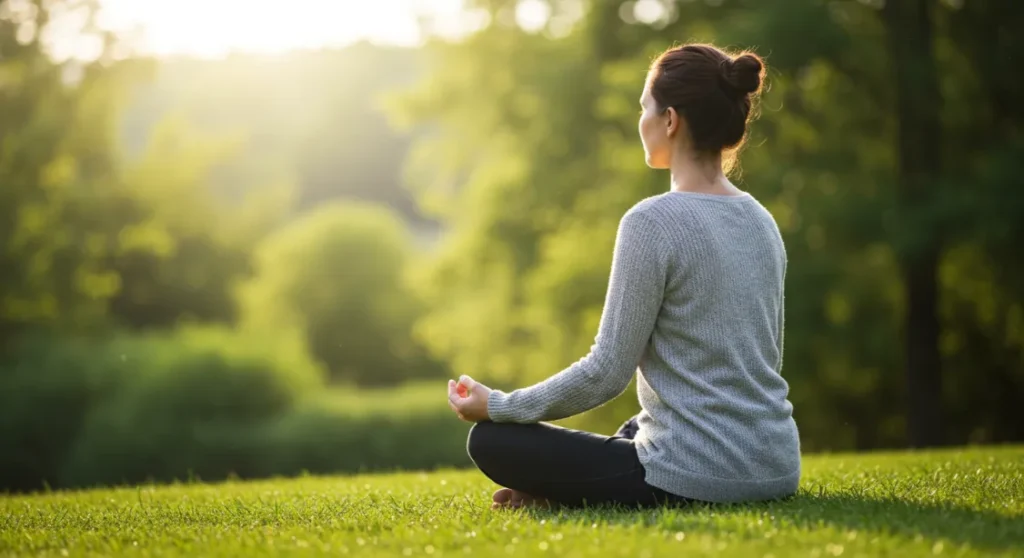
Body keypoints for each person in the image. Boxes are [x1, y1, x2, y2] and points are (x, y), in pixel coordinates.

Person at [446, 43, 801, 510]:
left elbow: (604, 373)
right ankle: (561, 496)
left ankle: (568, 493)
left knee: (491, 441)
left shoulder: (652, 221)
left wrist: (498, 406)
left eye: (643, 108)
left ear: (670, 120)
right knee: (640, 425)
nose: (641, 121)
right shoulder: (761, 220)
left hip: (699, 473)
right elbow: (760, 364)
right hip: (774, 464)